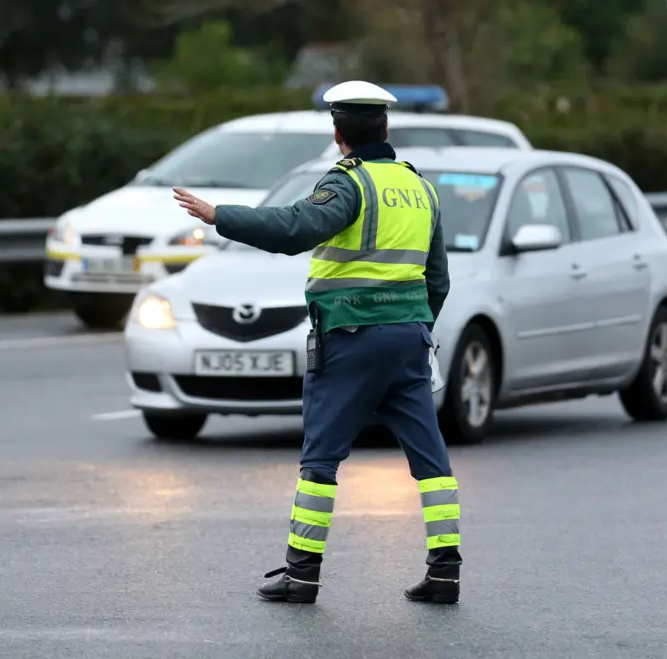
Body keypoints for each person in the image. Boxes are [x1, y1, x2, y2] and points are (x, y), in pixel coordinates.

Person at [173, 80, 461, 605]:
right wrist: (417, 327)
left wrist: (220, 216)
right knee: (430, 456)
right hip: (409, 338)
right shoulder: (419, 187)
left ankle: (301, 573)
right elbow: (437, 279)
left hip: (351, 337)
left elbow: (295, 228)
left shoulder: (349, 184)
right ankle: (445, 572)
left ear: (337, 134)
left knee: (321, 456)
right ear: (385, 127)